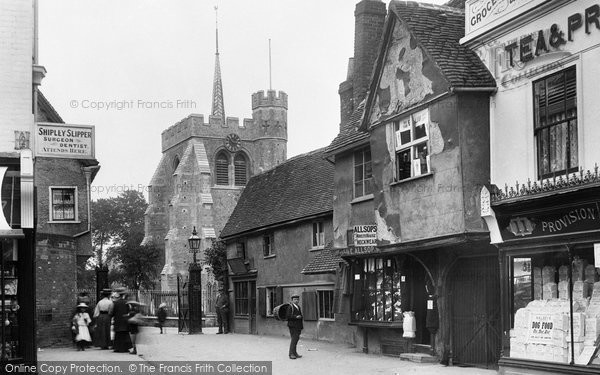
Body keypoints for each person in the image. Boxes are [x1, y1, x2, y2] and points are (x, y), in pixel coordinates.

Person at [111, 288, 132, 353]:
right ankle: (125, 348)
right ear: (124, 296)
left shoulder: (115, 303)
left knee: (118, 334)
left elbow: (113, 312)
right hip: (124, 320)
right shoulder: (127, 303)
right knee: (125, 334)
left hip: (117, 320)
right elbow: (129, 311)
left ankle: (117, 348)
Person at [286, 295, 303, 359]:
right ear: (292, 300)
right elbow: (288, 316)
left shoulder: (298, 306)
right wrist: (296, 317)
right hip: (293, 326)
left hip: (298, 326)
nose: (296, 300)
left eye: (297, 299)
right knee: (294, 339)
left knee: (296, 339)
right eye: (295, 299)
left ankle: (295, 353)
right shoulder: (290, 307)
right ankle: (291, 354)